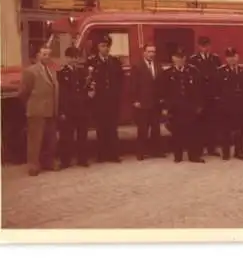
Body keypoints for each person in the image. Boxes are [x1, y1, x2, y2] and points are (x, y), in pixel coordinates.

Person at [17, 45, 59, 176]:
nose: (47, 57)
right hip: (36, 110)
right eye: (44, 54)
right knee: (35, 140)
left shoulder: (52, 71)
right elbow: (23, 92)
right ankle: (33, 165)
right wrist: (30, 106)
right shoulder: (30, 71)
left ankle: (48, 161)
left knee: (50, 139)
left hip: (50, 110)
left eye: (49, 54)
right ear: (38, 56)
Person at [160, 47, 205, 163]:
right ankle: (178, 155)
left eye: (182, 57)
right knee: (177, 132)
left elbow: (199, 89)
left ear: (185, 58)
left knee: (192, 132)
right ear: (173, 58)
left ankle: (193, 156)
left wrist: (199, 105)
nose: (179, 60)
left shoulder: (193, 71)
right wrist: (165, 108)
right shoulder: (167, 74)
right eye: (177, 58)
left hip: (190, 107)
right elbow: (164, 92)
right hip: (175, 109)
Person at [86, 34, 124, 163]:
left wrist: (117, 95)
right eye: (103, 46)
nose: (106, 48)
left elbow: (120, 80)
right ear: (97, 47)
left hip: (112, 100)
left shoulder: (115, 61)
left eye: (107, 46)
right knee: (101, 128)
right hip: (99, 101)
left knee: (113, 128)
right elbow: (88, 81)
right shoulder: (91, 62)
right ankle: (102, 155)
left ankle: (114, 154)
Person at [57, 46, 90, 169]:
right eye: (72, 57)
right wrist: (62, 111)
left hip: (81, 108)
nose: (75, 60)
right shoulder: (62, 73)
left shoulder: (82, 72)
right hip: (68, 109)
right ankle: (65, 161)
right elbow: (62, 94)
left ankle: (82, 159)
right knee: (66, 137)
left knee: (82, 135)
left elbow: (85, 89)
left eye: (76, 57)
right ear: (67, 58)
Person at [131, 43, 165, 160]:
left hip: (155, 102)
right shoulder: (137, 66)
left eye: (153, 52)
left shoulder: (158, 65)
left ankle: (156, 151)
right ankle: (140, 152)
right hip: (142, 102)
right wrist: (135, 100)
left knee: (156, 128)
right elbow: (133, 85)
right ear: (144, 53)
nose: (152, 54)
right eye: (149, 51)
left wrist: (161, 98)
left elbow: (160, 84)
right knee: (143, 129)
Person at [188, 36, 222, 157]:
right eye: (202, 46)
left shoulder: (215, 59)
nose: (205, 48)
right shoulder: (193, 60)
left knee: (212, 123)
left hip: (212, 96)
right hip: (200, 96)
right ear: (199, 46)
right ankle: (200, 148)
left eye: (207, 45)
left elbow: (219, 76)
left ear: (210, 46)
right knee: (199, 124)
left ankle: (212, 148)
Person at [215, 48, 243, 161]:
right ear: (226, 59)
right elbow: (216, 89)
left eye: (234, 56)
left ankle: (239, 152)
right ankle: (225, 152)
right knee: (225, 130)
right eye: (229, 57)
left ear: (237, 57)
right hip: (225, 106)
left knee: (240, 130)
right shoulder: (220, 71)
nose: (232, 59)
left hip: (240, 106)